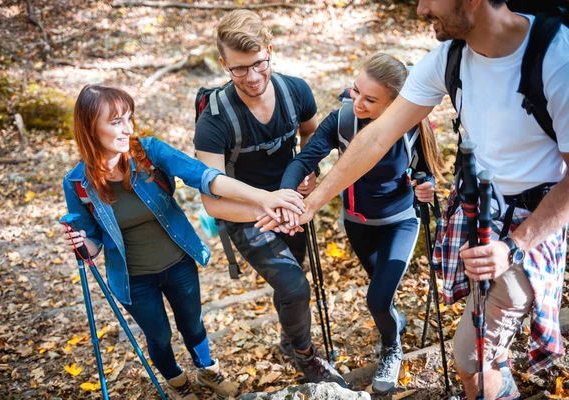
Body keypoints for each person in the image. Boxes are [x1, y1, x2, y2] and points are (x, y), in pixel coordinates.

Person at [257, 1, 569, 399]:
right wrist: (311, 204)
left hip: (531, 229)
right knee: (483, 339)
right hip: (476, 212)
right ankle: (498, 375)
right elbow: (374, 137)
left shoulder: (556, 60)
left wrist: (514, 247)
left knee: (469, 358)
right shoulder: (449, 58)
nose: (420, 8)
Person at [61, 84, 306, 400]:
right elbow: (92, 244)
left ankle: (208, 370)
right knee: (159, 336)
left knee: (193, 324)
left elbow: (204, 175)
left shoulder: (148, 152)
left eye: (129, 119)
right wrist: (81, 243)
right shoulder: (77, 183)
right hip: (133, 278)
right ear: (90, 127)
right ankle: (177, 382)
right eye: (116, 121)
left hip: (178, 262)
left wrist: (264, 198)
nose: (128, 129)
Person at [193, 10, 346, 387]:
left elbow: (313, 135)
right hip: (247, 214)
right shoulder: (214, 121)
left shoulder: (295, 91)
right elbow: (211, 201)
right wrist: (266, 202)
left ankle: (289, 341)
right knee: (295, 286)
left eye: (259, 63)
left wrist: (307, 171)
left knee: (291, 284)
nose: (253, 77)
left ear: (270, 51)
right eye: (239, 69)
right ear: (224, 64)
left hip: (291, 206)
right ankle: (306, 356)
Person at [277, 53, 443, 393]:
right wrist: (287, 195)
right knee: (381, 294)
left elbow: (425, 170)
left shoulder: (410, 126)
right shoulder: (342, 121)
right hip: (357, 223)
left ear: (395, 103)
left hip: (400, 222)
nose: (358, 103)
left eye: (370, 99)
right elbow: (303, 160)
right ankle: (393, 325)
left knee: (378, 299)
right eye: (356, 92)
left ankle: (392, 349)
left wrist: (427, 186)